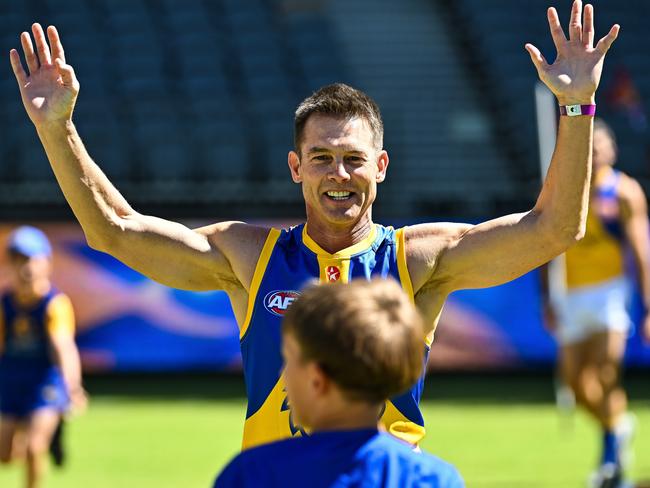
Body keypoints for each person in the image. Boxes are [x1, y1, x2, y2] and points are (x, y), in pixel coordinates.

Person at [9, 1, 619, 450]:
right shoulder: (250, 255)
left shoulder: (419, 259)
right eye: (322, 158)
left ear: (380, 168)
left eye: (354, 159)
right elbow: (115, 228)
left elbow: (554, 229)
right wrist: (56, 128)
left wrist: (577, 105)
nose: (339, 174)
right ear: (296, 168)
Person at [215, 279, 464, 487]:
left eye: (289, 359)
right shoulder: (433, 479)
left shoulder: (252, 474)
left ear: (317, 379)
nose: (283, 372)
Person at [542, 119, 650, 487]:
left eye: (599, 144)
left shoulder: (623, 193)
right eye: (587, 144)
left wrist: (648, 307)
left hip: (610, 292)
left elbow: (641, 251)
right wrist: (547, 298)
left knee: (605, 376)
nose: (593, 151)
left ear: (612, 150)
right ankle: (618, 426)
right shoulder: (563, 189)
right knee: (575, 384)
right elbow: (544, 244)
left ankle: (611, 459)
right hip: (570, 294)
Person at [0, 226, 86, 488]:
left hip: (44, 382)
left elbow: (63, 347)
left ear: (46, 263)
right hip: (11, 378)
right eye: (18, 260)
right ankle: (36, 430)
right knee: (5, 455)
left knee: (34, 448)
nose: (25, 268)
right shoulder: (4, 304)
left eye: (30, 260)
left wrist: (72, 387)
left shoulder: (54, 304)